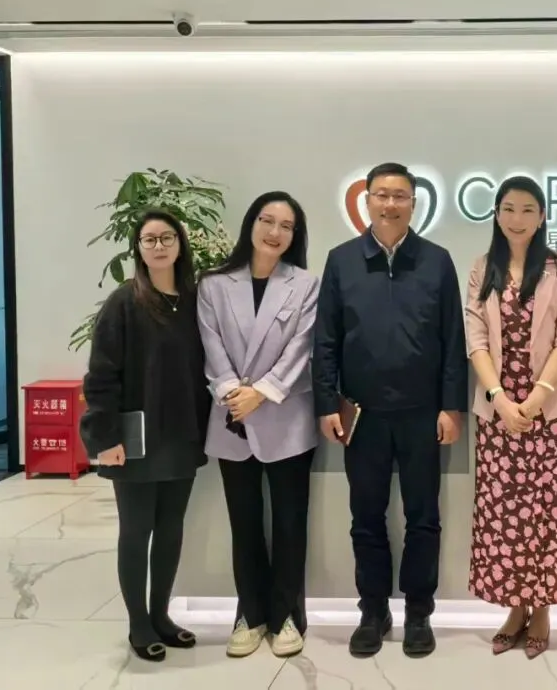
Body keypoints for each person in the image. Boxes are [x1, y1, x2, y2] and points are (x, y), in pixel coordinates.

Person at [313, 162, 468, 659]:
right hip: (363, 416)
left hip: (423, 413)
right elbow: (326, 339)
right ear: (367, 201)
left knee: (424, 518)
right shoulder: (341, 261)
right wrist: (326, 404)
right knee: (366, 517)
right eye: (381, 195)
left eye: (400, 196)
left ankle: (419, 613)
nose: (390, 204)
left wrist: (451, 406)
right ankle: (373, 611)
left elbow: (453, 339)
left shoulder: (437, 261)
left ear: (413, 204)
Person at [80, 210, 209, 663]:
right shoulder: (124, 302)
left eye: (166, 237)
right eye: (149, 239)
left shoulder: (194, 300)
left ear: (180, 244)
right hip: (134, 438)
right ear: (137, 248)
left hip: (183, 434)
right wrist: (105, 436)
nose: (158, 246)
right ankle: (138, 622)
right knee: (136, 531)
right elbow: (101, 375)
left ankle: (162, 616)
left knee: (171, 531)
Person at [197, 192, 319, 659]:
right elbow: (210, 346)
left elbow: (302, 348)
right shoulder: (214, 284)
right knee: (244, 523)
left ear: (295, 236)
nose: (274, 232)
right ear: (251, 224)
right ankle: (249, 614)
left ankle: (287, 615)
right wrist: (234, 392)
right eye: (267, 221)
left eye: (286, 226)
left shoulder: (305, 284)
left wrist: (262, 392)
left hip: (286, 418)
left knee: (290, 523)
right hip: (232, 418)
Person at [464, 176, 557, 659]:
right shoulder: (481, 268)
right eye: (509, 209)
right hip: (498, 416)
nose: (517, 219)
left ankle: (543, 610)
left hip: (548, 414)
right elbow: (476, 339)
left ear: (542, 216)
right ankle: (514, 609)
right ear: (496, 214)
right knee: (504, 515)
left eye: (528, 210)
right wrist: (499, 399)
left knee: (548, 515)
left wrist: (536, 400)